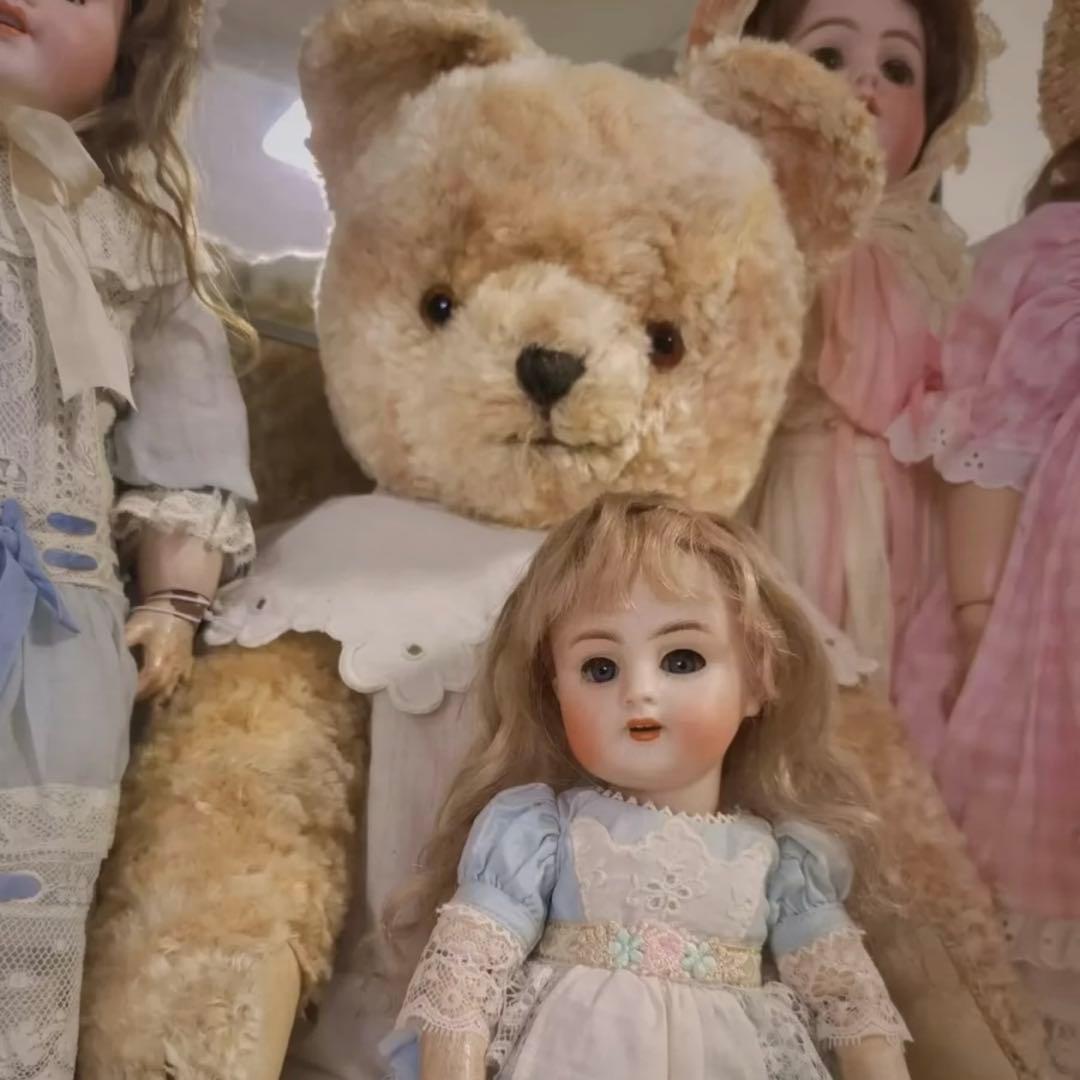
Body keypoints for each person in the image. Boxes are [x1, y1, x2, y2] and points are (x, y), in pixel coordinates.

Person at [381, 492, 910, 1080]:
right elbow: (462, 982)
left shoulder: (785, 864)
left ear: (759, 679)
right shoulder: (538, 834)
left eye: (681, 660)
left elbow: (856, 1010)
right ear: (555, 694)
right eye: (600, 668)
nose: (638, 692)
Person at [0, 0, 255, 1071]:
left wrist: (175, 599)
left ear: (136, 43)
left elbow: (188, 442)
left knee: (27, 906)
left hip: (55, 630)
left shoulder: (134, 236)